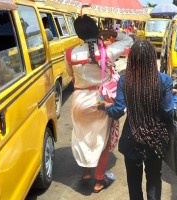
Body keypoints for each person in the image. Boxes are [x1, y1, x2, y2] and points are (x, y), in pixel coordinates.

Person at [100, 40, 177, 200]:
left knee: (134, 185)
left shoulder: (124, 80)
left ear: (132, 59)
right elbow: (167, 112)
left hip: (132, 140)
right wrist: (175, 97)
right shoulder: (164, 80)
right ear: (152, 58)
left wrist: (105, 106)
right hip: (155, 140)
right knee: (154, 181)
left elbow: (117, 111)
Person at [64, 15, 133, 193]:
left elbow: (71, 75)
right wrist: (111, 33)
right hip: (100, 99)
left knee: (81, 136)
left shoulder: (70, 53)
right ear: (96, 30)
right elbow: (128, 40)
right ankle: (99, 181)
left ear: (78, 33)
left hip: (80, 99)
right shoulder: (108, 51)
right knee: (102, 139)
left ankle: (86, 173)